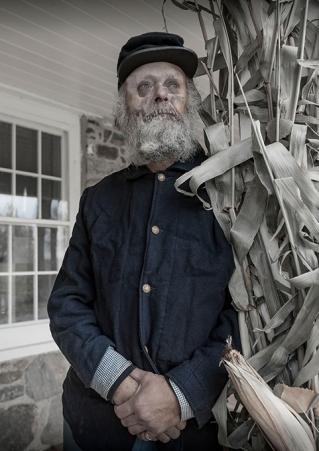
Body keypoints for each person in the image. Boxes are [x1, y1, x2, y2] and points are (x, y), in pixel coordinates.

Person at [48, 32, 240, 451]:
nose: (160, 96)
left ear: (189, 102)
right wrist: (117, 381)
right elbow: (67, 303)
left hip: (195, 433)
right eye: (144, 87)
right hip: (94, 425)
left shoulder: (228, 196)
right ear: (125, 108)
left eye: (173, 85)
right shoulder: (98, 200)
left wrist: (182, 394)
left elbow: (244, 314)